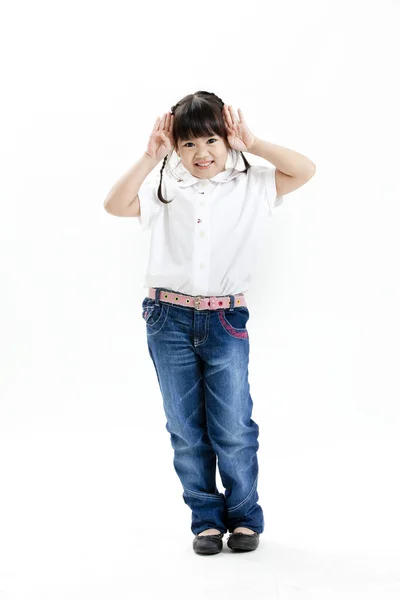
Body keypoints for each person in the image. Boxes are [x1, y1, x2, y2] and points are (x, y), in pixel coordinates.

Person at [103, 91, 316, 555]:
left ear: (228, 139)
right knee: (184, 427)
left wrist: (254, 142)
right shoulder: (166, 187)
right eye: (188, 145)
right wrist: (148, 156)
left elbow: (304, 169)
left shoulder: (254, 183)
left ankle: (243, 517)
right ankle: (205, 520)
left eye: (212, 140)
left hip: (225, 319)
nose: (201, 154)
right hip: (167, 317)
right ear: (174, 148)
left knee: (233, 425)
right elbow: (115, 205)